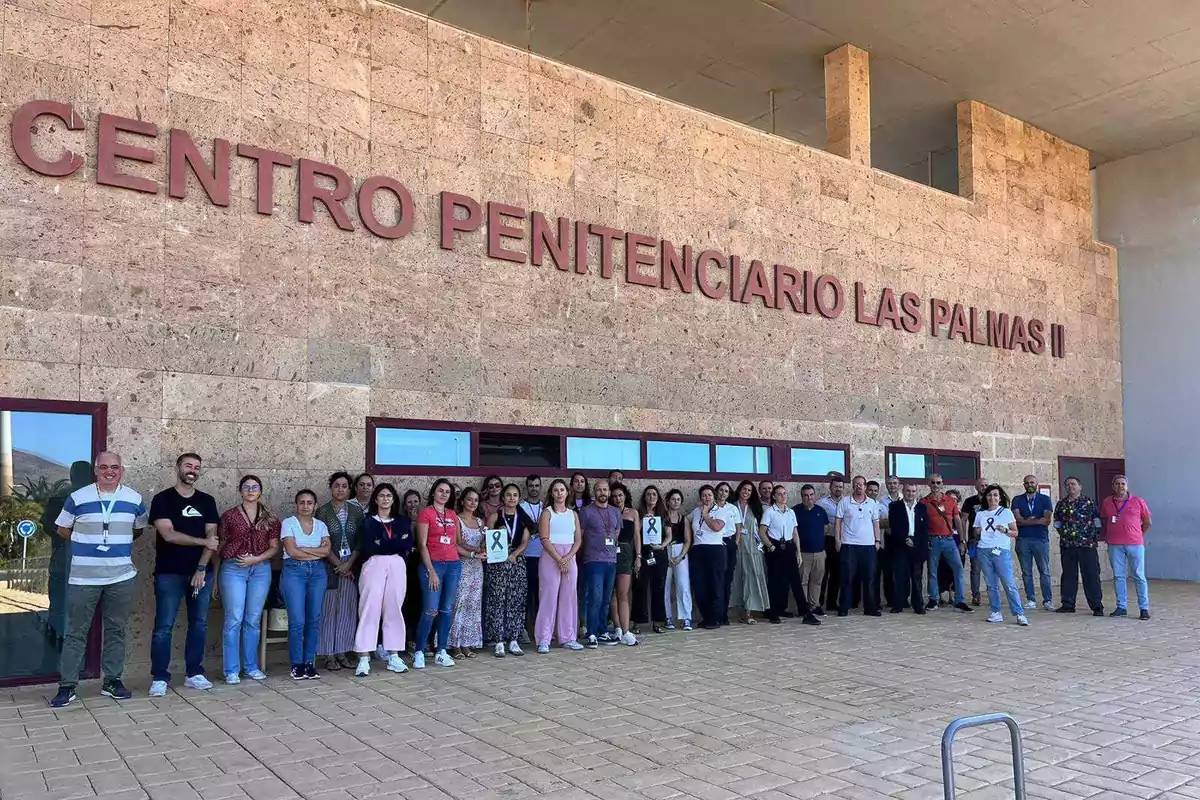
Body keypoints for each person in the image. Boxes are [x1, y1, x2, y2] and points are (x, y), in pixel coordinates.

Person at [50, 452, 148, 708]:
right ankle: (67, 685)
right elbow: (62, 529)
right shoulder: (77, 498)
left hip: (121, 576)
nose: (109, 471)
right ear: (96, 470)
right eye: (104, 467)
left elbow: (137, 529)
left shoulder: (134, 499)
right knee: (75, 632)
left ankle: (112, 681)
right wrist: (87, 544)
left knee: (116, 629)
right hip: (84, 578)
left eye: (115, 467)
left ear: (121, 470)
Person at [149, 453, 221, 696]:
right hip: (169, 573)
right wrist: (202, 541)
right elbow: (168, 534)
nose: (192, 470)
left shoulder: (207, 501)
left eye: (197, 467)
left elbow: (213, 541)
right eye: (188, 465)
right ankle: (159, 676)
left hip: (200, 573)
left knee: (198, 624)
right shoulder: (163, 499)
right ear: (177, 467)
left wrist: (201, 568)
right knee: (164, 626)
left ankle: (194, 673)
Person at [217, 475, 280, 684]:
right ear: (240, 490)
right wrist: (217, 574)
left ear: (260, 491)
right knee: (233, 618)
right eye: (246, 487)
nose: (250, 490)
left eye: (255, 487)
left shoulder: (270, 517)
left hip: (260, 569)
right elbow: (220, 546)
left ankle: (251, 666)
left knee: (253, 619)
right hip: (234, 568)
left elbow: (274, 547)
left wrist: (256, 558)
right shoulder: (229, 516)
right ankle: (231, 670)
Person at [353, 483, 412, 676]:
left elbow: (406, 544)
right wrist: (392, 543)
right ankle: (363, 657)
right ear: (375, 499)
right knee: (369, 607)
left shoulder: (402, 521)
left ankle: (393, 655)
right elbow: (369, 546)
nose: (385, 499)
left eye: (389, 495)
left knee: (394, 607)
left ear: (394, 499)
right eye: (381, 495)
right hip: (373, 565)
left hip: (396, 565)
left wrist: (385, 543)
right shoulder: (368, 521)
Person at [279, 489, 332, 680]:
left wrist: (305, 549)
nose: (306, 506)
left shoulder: (321, 526)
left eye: (310, 502)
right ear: (296, 505)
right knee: (297, 621)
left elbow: (327, 551)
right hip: (294, 571)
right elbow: (292, 552)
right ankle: (297, 665)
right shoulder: (288, 523)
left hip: (317, 572)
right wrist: (315, 550)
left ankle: (309, 663)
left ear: (315, 505)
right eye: (302, 502)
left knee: (314, 619)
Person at [315, 472, 364, 672]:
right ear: (331, 488)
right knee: (328, 610)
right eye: (337, 485)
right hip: (329, 565)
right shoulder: (322, 512)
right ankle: (329, 655)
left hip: (351, 566)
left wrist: (349, 564)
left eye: (344, 486)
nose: (340, 489)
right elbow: (320, 541)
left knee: (347, 610)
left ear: (349, 489)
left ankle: (343, 652)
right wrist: (339, 565)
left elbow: (361, 541)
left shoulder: (356, 511)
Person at [414, 479, 463, 667]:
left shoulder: (452, 514)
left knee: (446, 610)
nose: (443, 494)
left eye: (447, 492)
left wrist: (476, 552)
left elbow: (456, 543)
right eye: (440, 491)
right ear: (434, 492)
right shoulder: (425, 513)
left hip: (453, 565)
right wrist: (431, 570)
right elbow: (422, 545)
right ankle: (419, 650)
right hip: (433, 565)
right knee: (430, 610)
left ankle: (441, 650)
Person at [760, 484, 820, 626]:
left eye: (784, 493)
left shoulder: (790, 512)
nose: (783, 496)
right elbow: (762, 531)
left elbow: (795, 533)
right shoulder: (769, 512)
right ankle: (773, 612)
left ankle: (806, 613)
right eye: (779, 494)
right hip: (775, 547)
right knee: (775, 581)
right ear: (774, 496)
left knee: (795, 582)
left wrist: (798, 552)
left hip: (789, 547)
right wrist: (770, 546)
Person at [535, 478, 584, 652]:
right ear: (551, 493)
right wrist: (558, 558)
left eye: (562, 490)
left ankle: (568, 637)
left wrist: (568, 557)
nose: (559, 493)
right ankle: (544, 639)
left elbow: (578, 540)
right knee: (549, 596)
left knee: (568, 597)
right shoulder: (547, 513)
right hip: (551, 556)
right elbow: (544, 538)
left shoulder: (573, 514)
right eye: (555, 490)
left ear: (567, 492)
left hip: (569, 557)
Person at [484, 483, 532, 657]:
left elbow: (525, 542)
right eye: (508, 495)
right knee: (497, 600)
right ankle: (498, 640)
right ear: (503, 498)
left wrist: (515, 554)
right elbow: (487, 538)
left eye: (515, 495)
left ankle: (513, 639)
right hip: (497, 563)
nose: (512, 498)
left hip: (516, 562)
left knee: (516, 600)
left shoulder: (524, 517)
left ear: (519, 498)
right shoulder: (495, 516)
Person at [973, 485, 1028, 626]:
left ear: (1000, 497)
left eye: (996, 495)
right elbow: (975, 533)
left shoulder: (1006, 512)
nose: (993, 498)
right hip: (984, 550)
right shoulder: (981, 514)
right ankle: (996, 611)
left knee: (1009, 583)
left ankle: (1019, 613)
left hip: (1000, 550)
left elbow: (1015, 532)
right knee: (991, 584)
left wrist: (1005, 530)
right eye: (990, 495)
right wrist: (978, 531)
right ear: (986, 497)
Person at [1100, 475, 1152, 620]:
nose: (1120, 486)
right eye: (1117, 484)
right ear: (1113, 486)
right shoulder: (1107, 502)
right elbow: (1105, 520)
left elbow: (1147, 522)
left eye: (1123, 484)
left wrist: (1138, 535)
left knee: (1139, 576)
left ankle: (1144, 608)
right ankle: (1121, 607)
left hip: (1135, 544)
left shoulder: (1138, 501)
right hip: (1115, 544)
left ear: (1127, 486)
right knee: (1118, 576)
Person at [921, 474, 973, 613]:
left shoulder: (950, 500)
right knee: (932, 571)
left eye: (938, 482)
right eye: (933, 482)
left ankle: (960, 601)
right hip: (933, 540)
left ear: (942, 484)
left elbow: (958, 521)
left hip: (949, 540)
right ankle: (933, 599)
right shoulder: (923, 502)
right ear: (929, 484)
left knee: (958, 569)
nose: (935, 485)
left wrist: (962, 540)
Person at [579, 479, 621, 647]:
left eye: (605, 489)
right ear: (594, 492)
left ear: (609, 492)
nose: (602, 493)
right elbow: (580, 535)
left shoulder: (616, 511)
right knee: (594, 597)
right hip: (593, 560)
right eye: (599, 490)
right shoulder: (586, 511)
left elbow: (617, 530)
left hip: (611, 560)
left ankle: (603, 631)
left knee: (606, 599)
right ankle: (591, 633)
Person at [1054, 476, 1104, 616]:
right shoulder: (1061, 504)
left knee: (1091, 575)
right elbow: (1057, 521)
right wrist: (1063, 533)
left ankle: (1096, 606)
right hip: (1068, 545)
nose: (1070, 486)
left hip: (1087, 545)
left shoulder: (1088, 502)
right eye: (1067, 485)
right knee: (1069, 575)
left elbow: (1097, 519)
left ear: (1080, 487)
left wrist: (1094, 534)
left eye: (1073, 484)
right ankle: (1068, 604)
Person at [688, 485, 735, 630]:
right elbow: (685, 522)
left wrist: (706, 514)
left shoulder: (721, 511)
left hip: (715, 550)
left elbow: (716, 527)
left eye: (709, 495)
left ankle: (715, 619)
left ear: (713, 496)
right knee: (699, 585)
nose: (706, 498)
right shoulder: (695, 512)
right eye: (703, 495)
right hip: (698, 549)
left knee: (715, 584)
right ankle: (706, 616)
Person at [834, 476, 882, 617]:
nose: (859, 487)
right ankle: (844, 607)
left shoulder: (872, 503)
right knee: (847, 577)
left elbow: (876, 523)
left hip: (868, 546)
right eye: (856, 484)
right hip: (849, 545)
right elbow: (838, 522)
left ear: (865, 486)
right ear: (852, 486)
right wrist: (838, 540)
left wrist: (877, 540)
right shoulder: (844, 502)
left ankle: (870, 608)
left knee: (870, 578)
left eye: (861, 484)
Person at [447, 488, 486, 660]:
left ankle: (467, 643)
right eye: (469, 499)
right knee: (459, 604)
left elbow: (486, 543)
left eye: (475, 500)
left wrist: (486, 550)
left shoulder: (480, 522)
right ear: (462, 501)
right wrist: (474, 552)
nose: (472, 503)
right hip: (462, 565)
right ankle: (454, 644)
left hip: (477, 567)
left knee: (473, 605)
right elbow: (457, 543)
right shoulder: (456, 519)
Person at [1013, 475, 1055, 611]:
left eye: (1032, 482)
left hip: (1040, 539)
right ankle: (1030, 599)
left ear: (1036, 484)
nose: (1029, 484)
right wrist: (1037, 520)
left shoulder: (1045, 499)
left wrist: (1027, 521)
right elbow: (1017, 520)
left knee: (1044, 570)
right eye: (1026, 483)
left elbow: (1047, 520)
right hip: (1022, 539)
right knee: (1026, 572)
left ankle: (1047, 600)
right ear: (1023, 485)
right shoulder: (1017, 499)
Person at [886, 483, 929, 614]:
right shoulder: (894, 506)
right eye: (908, 491)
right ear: (903, 491)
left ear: (916, 492)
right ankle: (898, 604)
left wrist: (915, 541)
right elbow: (894, 526)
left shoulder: (922, 507)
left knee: (916, 578)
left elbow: (924, 529)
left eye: (913, 491)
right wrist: (905, 539)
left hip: (917, 547)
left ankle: (918, 605)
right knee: (900, 577)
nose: (911, 493)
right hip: (900, 546)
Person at [730, 480, 768, 625]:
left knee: (751, 579)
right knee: (737, 578)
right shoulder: (732, 507)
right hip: (736, 546)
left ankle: (749, 613)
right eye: (744, 489)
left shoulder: (755, 508)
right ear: (739, 490)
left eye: (749, 490)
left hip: (752, 548)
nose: (746, 492)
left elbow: (761, 529)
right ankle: (739, 611)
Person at [633, 485, 670, 634]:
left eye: (654, 494)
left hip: (659, 553)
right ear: (644, 497)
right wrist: (642, 521)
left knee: (659, 587)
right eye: (648, 494)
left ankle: (658, 622)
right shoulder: (638, 513)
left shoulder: (663, 513)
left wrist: (661, 546)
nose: (651, 497)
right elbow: (634, 533)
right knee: (640, 587)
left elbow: (669, 535)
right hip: (643, 552)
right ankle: (637, 622)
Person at [609, 483, 641, 646]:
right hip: (609, 551)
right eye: (614, 496)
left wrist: (639, 556)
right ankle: (617, 628)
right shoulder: (608, 511)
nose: (617, 498)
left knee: (623, 593)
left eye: (620, 495)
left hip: (627, 552)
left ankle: (626, 630)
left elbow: (636, 536)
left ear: (625, 495)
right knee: (612, 594)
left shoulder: (633, 512)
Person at [792, 484, 830, 615]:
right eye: (806, 495)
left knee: (817, 581)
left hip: (819, 552)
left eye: (811, 495)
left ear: (815, 496)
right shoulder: (795, 511)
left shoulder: (821, 511)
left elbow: (825, 529)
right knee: (803, 581)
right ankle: (804, 608)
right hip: (803, 553)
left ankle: (815, 605)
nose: (809, 498)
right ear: (801, 497)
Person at [662, 488, 692, 631]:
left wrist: (680, 557)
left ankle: (686, 617)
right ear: (668, 501)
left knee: (683, 584)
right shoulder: (661, 517)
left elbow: (687, 540)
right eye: (673, 499)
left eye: (678, 499)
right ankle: (667, 617)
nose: (676, 502)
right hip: (665, 551)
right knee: (665, 586)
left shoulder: (683, 518)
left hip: (680, 552)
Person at [519, 475, 544, 637]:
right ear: (527, 487)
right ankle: (523, 630)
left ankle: (540, 630)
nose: (534, 488)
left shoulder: (546, 507)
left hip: (543, 557)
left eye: (536, 485)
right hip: (526, 556)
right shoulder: (520, 507)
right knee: (525, 596)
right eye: (531, 485)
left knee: (541, 595)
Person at [399, 488, 423, 657]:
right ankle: (404, 640)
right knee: (404, 605)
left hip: (421, 566)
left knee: (419, 604)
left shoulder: (424, 520)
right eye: (410, 502)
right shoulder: (401, 522)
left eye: (416, 501)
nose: (413, 505)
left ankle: (416, 639)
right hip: (405, 567)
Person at [959, 477, 990, 605]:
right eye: (982, 485)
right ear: (976, 487)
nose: (984, 487)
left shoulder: (993, 500)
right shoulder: (969, 501)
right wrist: (964, 539)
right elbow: (963, 519)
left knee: (991, 568)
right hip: (974, 540)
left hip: (991, 540)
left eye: (986, 485)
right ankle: (975, 595)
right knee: (976, 568)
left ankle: (993, 593)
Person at [713, 482, 740, 626]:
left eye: (726, 491)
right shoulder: (711, 507)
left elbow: (738, 527)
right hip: (715, 543)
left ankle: (724, 614)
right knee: (717, 579)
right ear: (716, 492)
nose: (723, 493)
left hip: (729, 543)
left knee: (727, 580)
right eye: (721, 490)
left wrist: (735, 543)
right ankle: (715, 614)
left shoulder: (733, 509)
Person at [817, 475, 845, 613]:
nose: (838, 489)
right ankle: (818, 603)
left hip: (841, 540)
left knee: (837, 574)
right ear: (830, 487)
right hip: (826, 540)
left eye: (840, 487)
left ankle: (832, 603)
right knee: (823, 573)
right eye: (836, 486)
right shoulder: (822, 503)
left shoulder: (847, 502)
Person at [876, 476, 902, 610]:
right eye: (890, 483)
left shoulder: (905, 499)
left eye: (895, 483)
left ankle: (902, 599)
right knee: (887, 572)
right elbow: (878, 522)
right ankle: (890, 599)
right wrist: (895, 522)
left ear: (899, 485)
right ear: (886, 485)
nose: (892, 486)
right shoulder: (881, 502)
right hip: (887, 539)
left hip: (903, 540)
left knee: (902, 571)